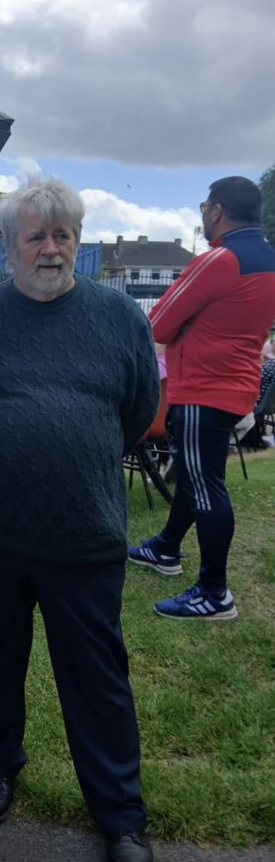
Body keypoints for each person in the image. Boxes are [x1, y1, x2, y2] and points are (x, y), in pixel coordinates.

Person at [0, 178, 158, 862]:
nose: (51, 247)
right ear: (8, 248)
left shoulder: (118, 316)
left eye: (63, 234)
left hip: (83, 537)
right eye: (35, 235)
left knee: (97, 681)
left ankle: (121, 815)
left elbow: (138, 409)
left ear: (78, 242)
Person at [128, 177, 275, 620]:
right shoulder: (267, 258)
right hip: (237, 385)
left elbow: (159, 323)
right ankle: (166, 548)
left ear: (216, 211)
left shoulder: (220, 259)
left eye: (203, 207)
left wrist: (190, 328)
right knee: (196, 474)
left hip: (201, 387)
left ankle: (214, 592)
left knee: (206, 483)